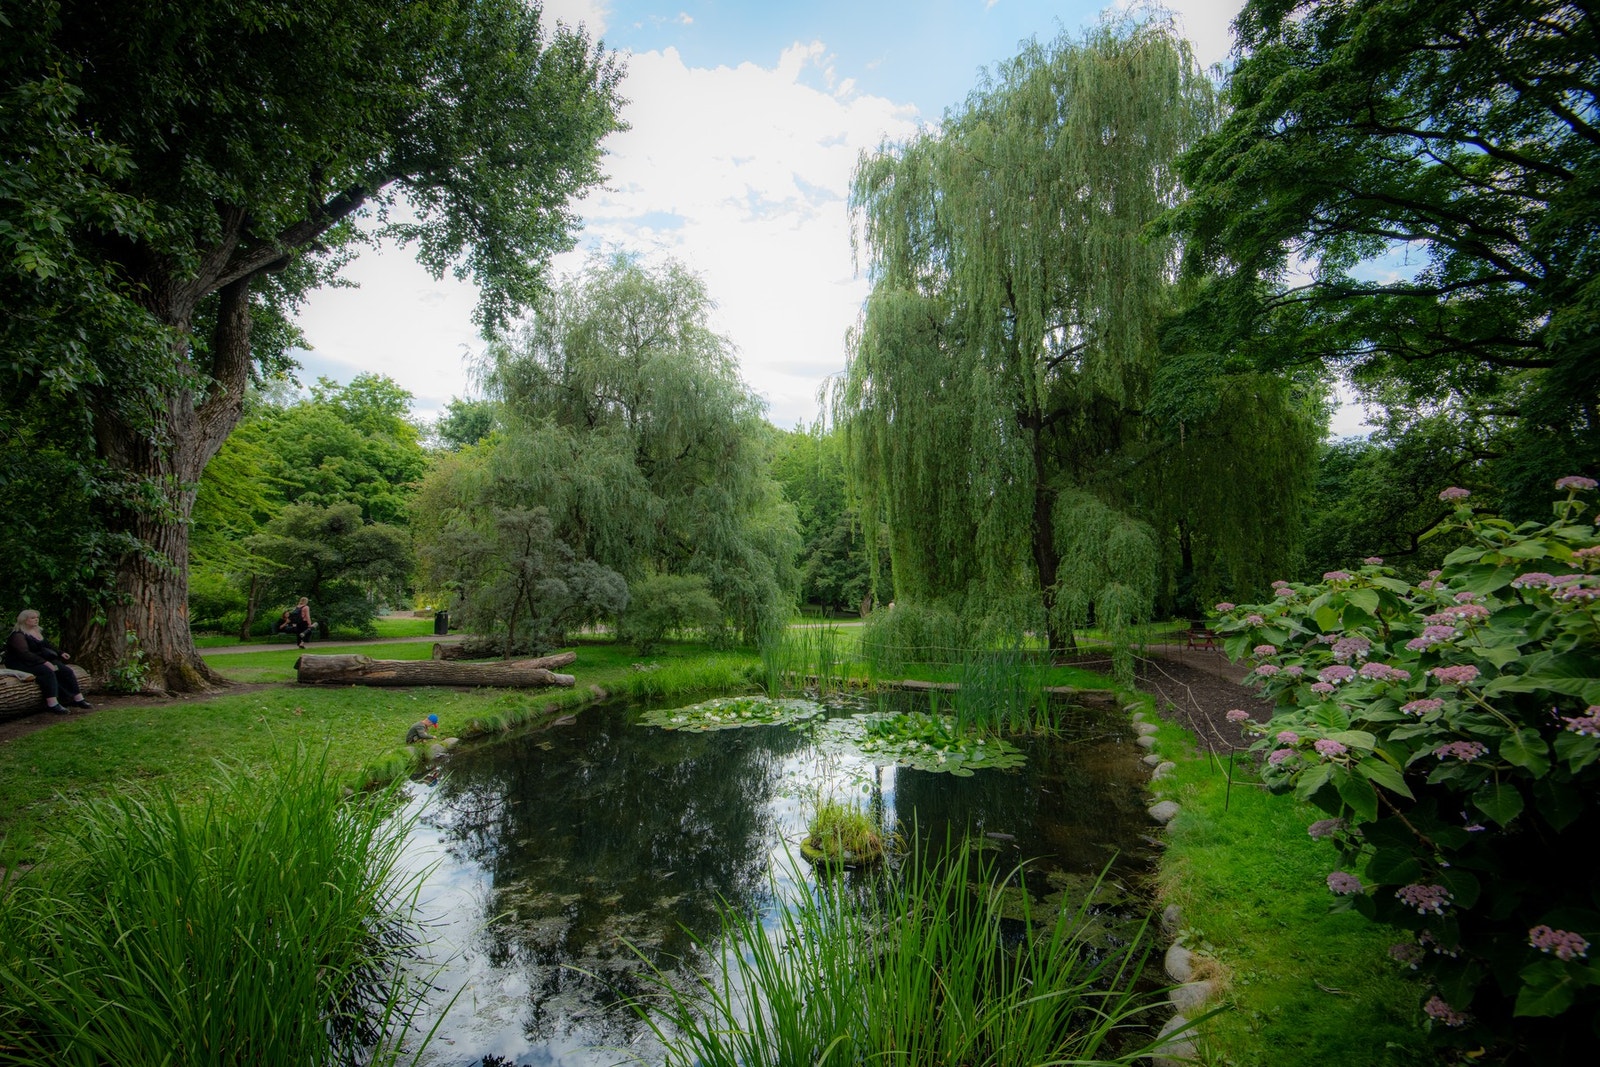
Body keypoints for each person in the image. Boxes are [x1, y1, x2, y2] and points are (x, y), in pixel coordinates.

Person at [3, 609, 93, 713]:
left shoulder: (37, 631)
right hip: (21, 662)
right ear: (24, 620)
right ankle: (52, 703)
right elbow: (24, 653)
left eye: (37, 617)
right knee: (47, 672)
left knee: (65, 671)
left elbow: (47, 645)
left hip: (38, 659)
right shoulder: (17, 635)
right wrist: (45, 663)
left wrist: (60, 653)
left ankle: (78, 699)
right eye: (33, 618)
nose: (36, 620)